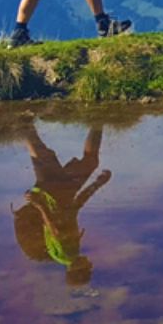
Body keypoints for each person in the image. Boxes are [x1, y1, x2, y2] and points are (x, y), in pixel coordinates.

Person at [11, 121, 111, 286]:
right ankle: (21, 119)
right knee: (44, 155)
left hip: (55, 195)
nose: (90, 263)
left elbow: (55, 228)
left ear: (79, 269)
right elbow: (72, 211)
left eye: (89, 267)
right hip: (58, 194)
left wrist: (39, 205)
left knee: (53, 157)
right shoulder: (61, 257)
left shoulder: (69, 253)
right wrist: (96, 184)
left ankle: (99, 120)